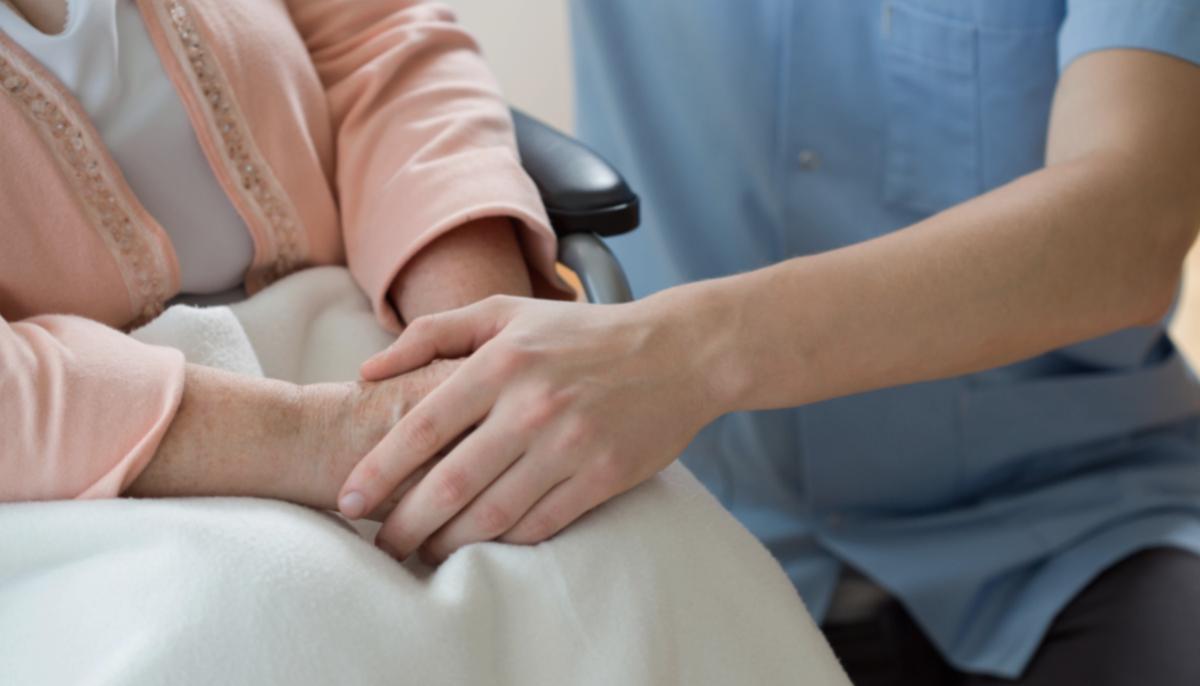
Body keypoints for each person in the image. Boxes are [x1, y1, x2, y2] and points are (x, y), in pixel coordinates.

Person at [341, 2, 1200, 683]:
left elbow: (1129, 225)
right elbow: (359, 38)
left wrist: (682, 356)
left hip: (1072, 530)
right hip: (706, 530)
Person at [0, 0, 571, 509]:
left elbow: (381, 40)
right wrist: (326, 438)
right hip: (79, 481)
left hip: (374, 321)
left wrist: (476, 347)